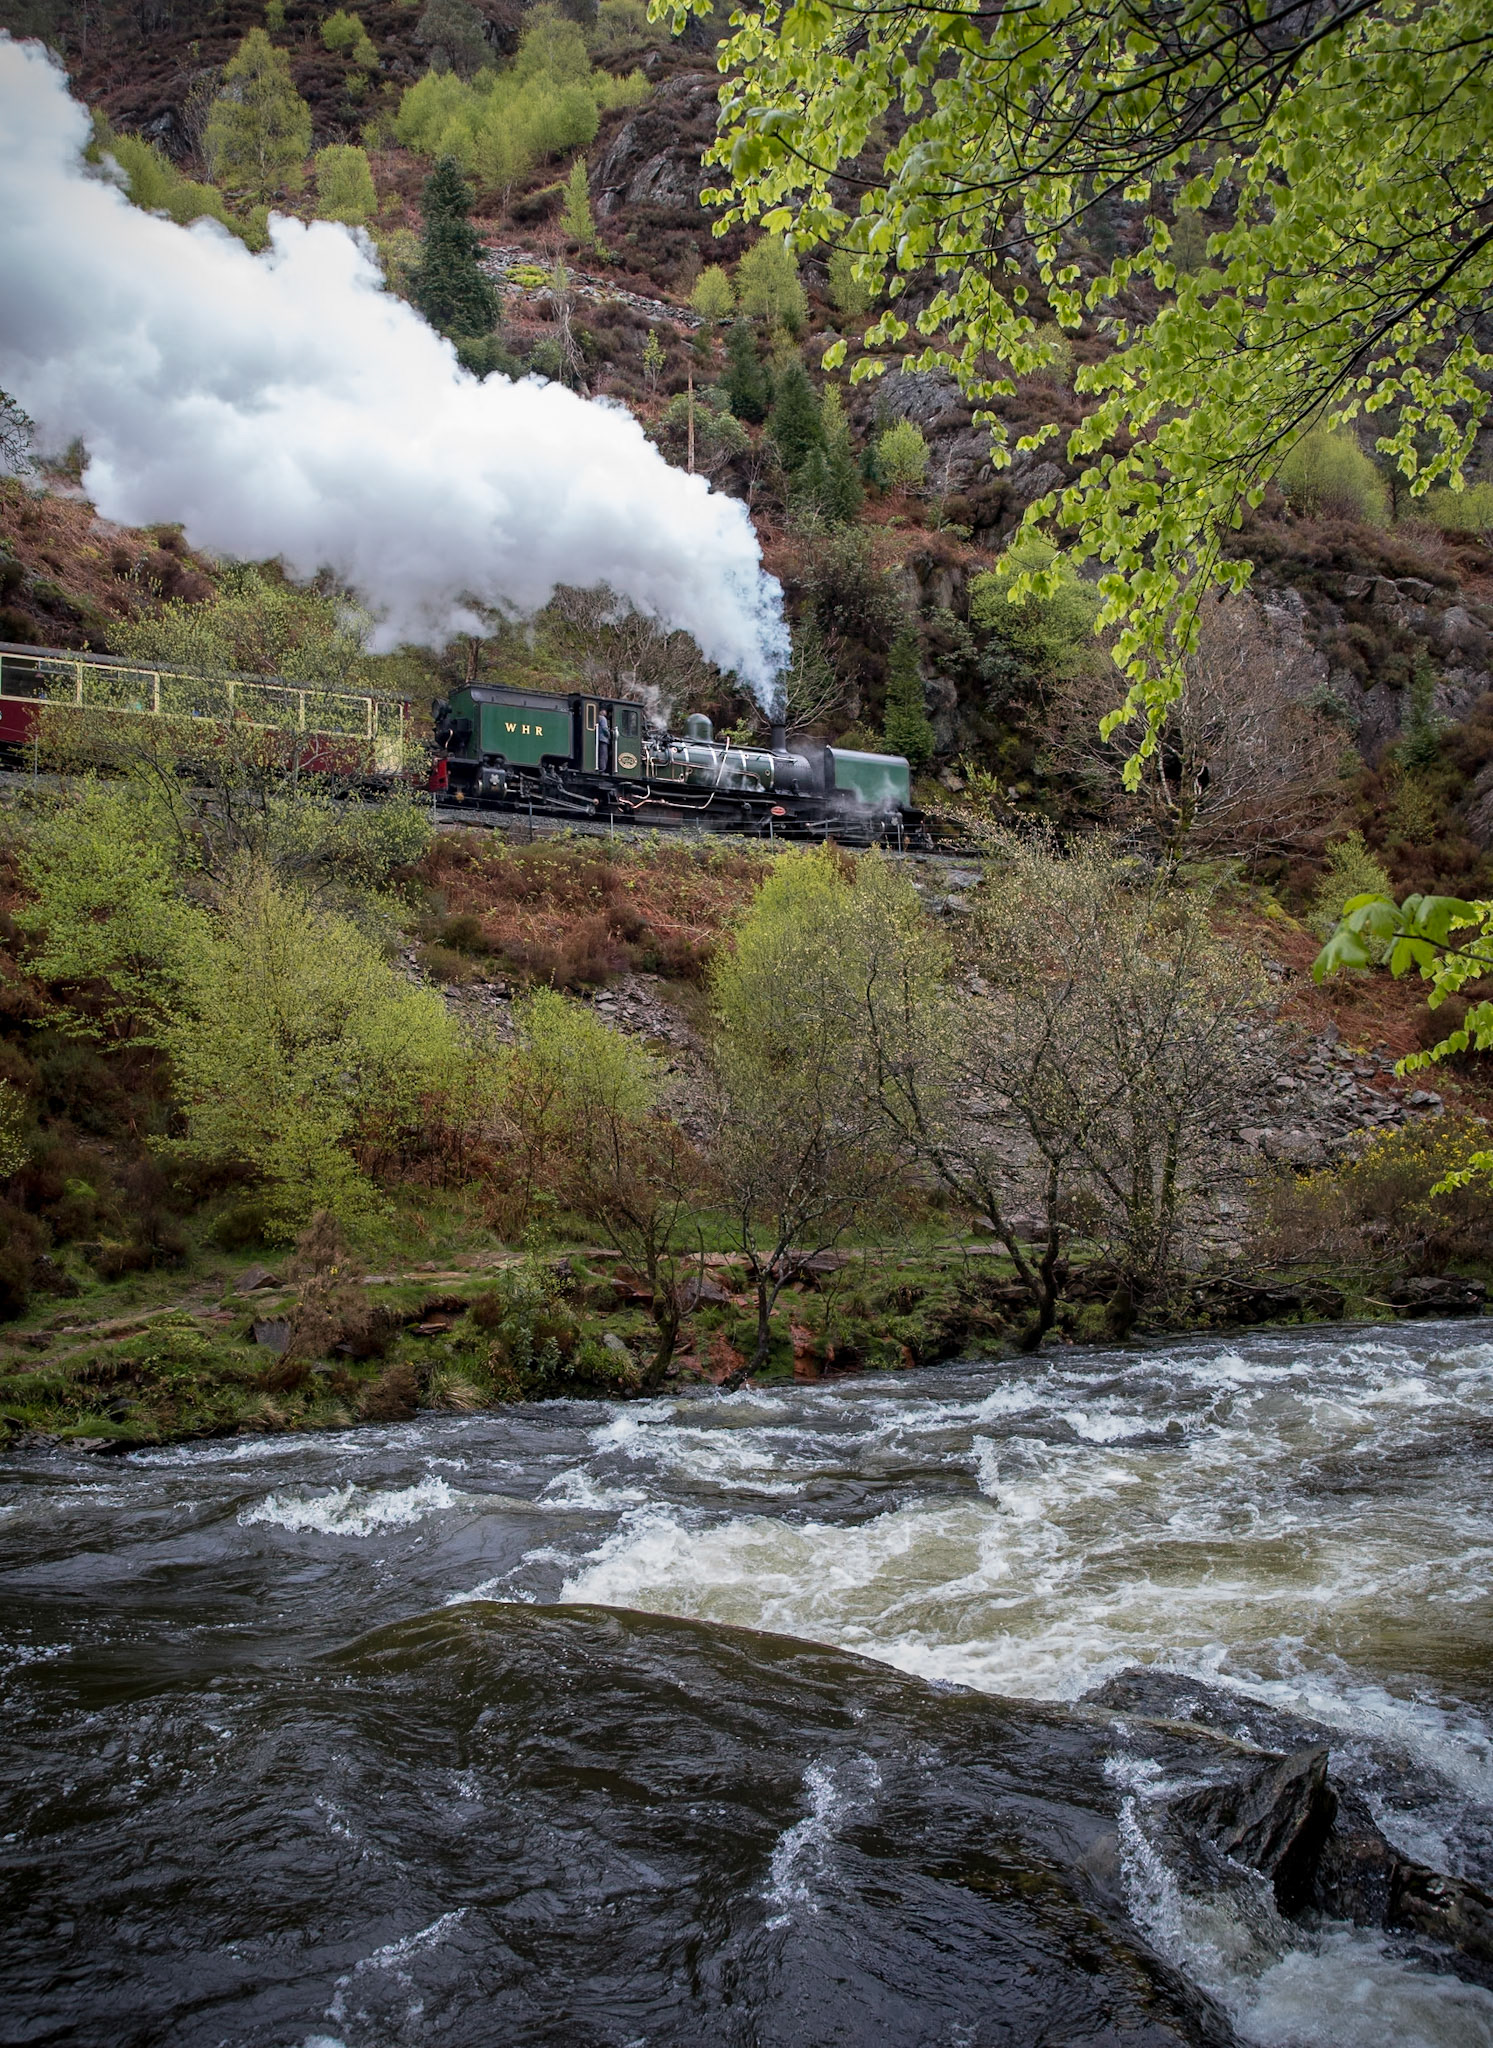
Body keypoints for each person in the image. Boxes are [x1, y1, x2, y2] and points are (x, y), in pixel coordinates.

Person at [597, 705, 611, 774]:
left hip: (599, 739)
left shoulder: (597, 718)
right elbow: (605, 729)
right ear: (602, 711)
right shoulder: (603, 718)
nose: (606, 712)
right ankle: (602, 769)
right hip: (603, 739)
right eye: (605, 710)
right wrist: (610, 735)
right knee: (604, 755)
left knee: (601, 754)